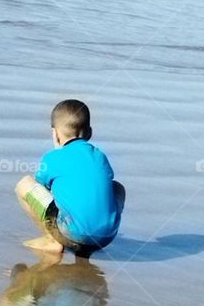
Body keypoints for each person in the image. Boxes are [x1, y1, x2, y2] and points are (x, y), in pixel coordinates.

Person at [15, 99, 125, 257]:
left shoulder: (53, 158)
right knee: (117, 187)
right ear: (90, 132)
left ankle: (51, 240)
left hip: (70, 233)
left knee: (24, 185)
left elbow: (41, 188)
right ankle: (98, 231)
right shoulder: (100, 156)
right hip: (107, 237)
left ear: (55, 133)